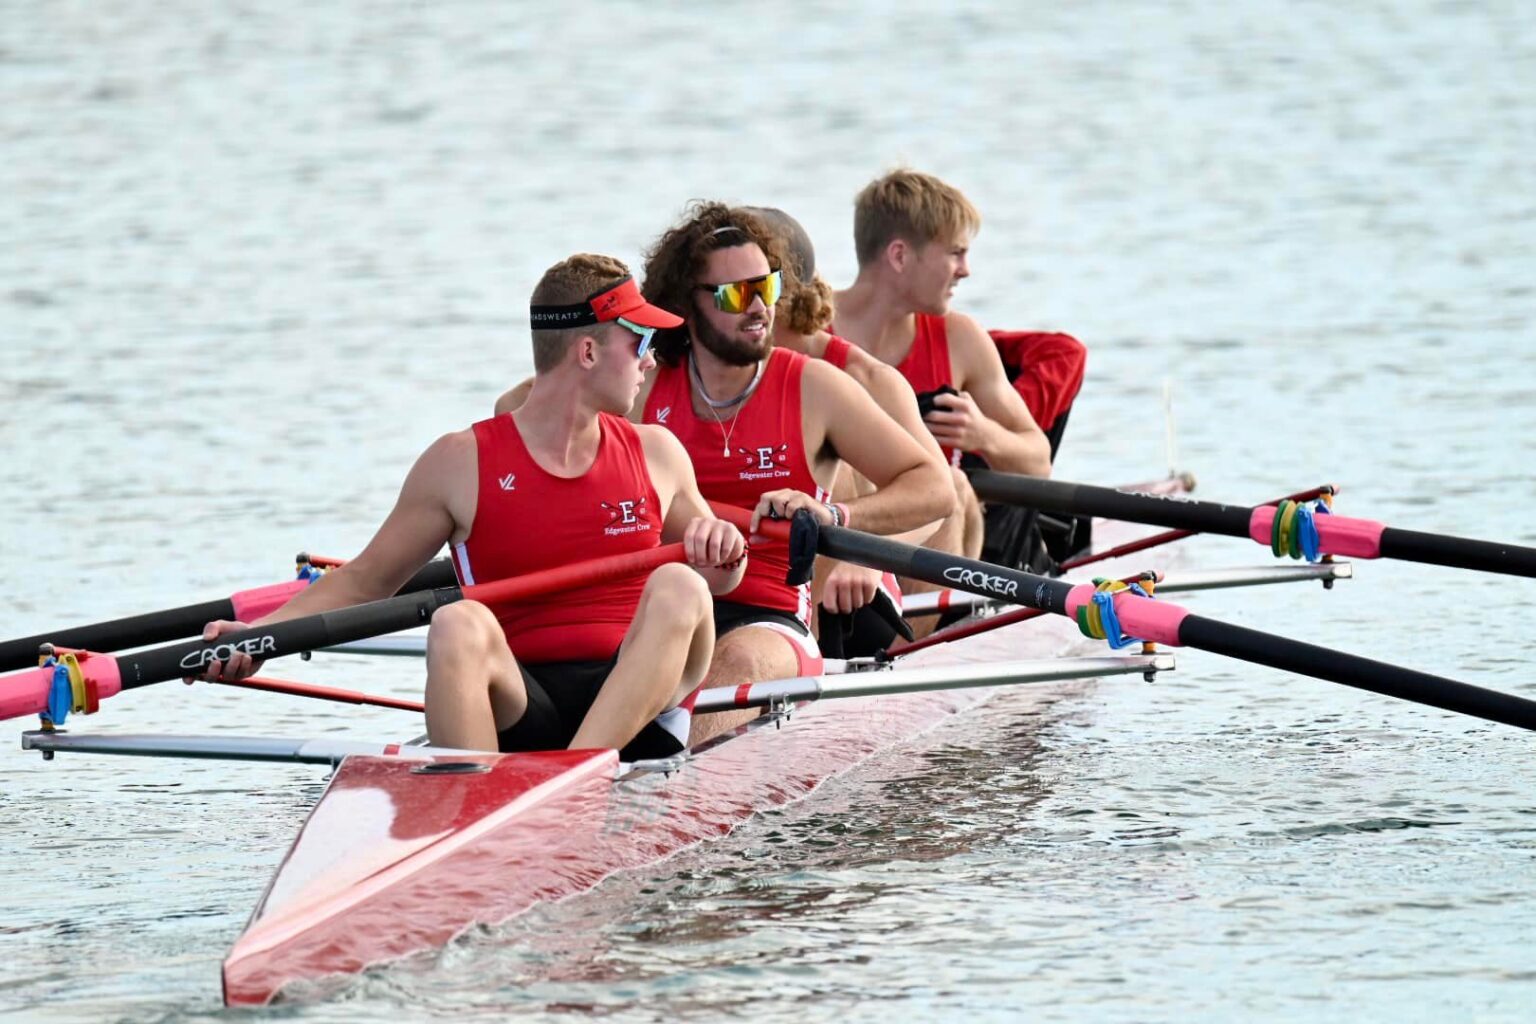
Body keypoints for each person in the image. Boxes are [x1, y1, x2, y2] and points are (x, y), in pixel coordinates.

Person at [197, 254, 746, 761]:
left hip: (637, 704)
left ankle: (574, 774)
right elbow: (364, 582)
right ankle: (476, 804)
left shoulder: (656, 453)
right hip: (521, 699)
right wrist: (262, 636)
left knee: (683, 585)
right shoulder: (461, 462)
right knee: (456, 620)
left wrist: (725, 552)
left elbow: (721, 583)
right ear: (587, 352)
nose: (649, 362)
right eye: (641, 341)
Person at [637, 203, 954, 739]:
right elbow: (526, 409)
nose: (760, 306)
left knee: (733, 665)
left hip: (770, 617)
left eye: (767, 286)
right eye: (736, 294)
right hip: (663, 607)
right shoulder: (643, 387)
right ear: (684, 307)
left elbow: (935, 488)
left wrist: (832, 514)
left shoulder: (816, 388)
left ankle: (665, 797)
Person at [745, 205, 970, 652]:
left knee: (945, 485)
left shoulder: (867, 379)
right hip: (748, 585)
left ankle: (817, 662)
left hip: (849, 592)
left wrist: (865, 551)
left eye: (744, 290)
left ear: (780, 295)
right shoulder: (708, 374)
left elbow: (942, 497)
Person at [832, 169, 1053, 479]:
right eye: (956, 253)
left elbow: (1039, 463)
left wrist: (984, 435)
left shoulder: (961, 339)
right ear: (899, 256)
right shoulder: (805, 332)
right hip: (833, 517)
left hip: (937, 519)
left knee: (957, 487)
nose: (966, 271)